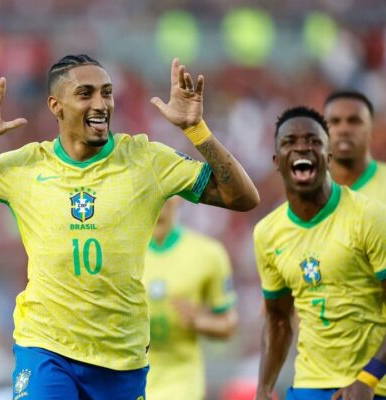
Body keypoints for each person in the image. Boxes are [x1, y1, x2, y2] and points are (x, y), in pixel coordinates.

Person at [0, 54, 259, 399]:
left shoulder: (146, 159)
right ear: (56, 105)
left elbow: (243, 198)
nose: (101, 104)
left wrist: (197, 131)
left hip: (121, 355)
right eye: (85, 94)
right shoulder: (25, 166)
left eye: (107, 93)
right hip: (46, 346)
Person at [253, 106, 386, 400]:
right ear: (277, 161)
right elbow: (278, 319)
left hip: (373, 386)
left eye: (314, 141)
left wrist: (369, 377)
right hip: (309, 385)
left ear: (328, 156)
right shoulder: (267, 233)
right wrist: (263, 389)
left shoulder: (371, 217)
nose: (302, 147)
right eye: (289, 142)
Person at [143, 196, 238, 399]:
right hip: (133, 372)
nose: (159, 201)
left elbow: (228, 324)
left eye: (167, 195)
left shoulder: (208, 254)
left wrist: (199, 321)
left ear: (180, 196)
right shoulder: (124, 253)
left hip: (182, 376)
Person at [324, 90, 386, 202]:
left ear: (372, 129)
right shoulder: (307, 189)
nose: (343, 130)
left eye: (354, 121)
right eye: (335, 121)